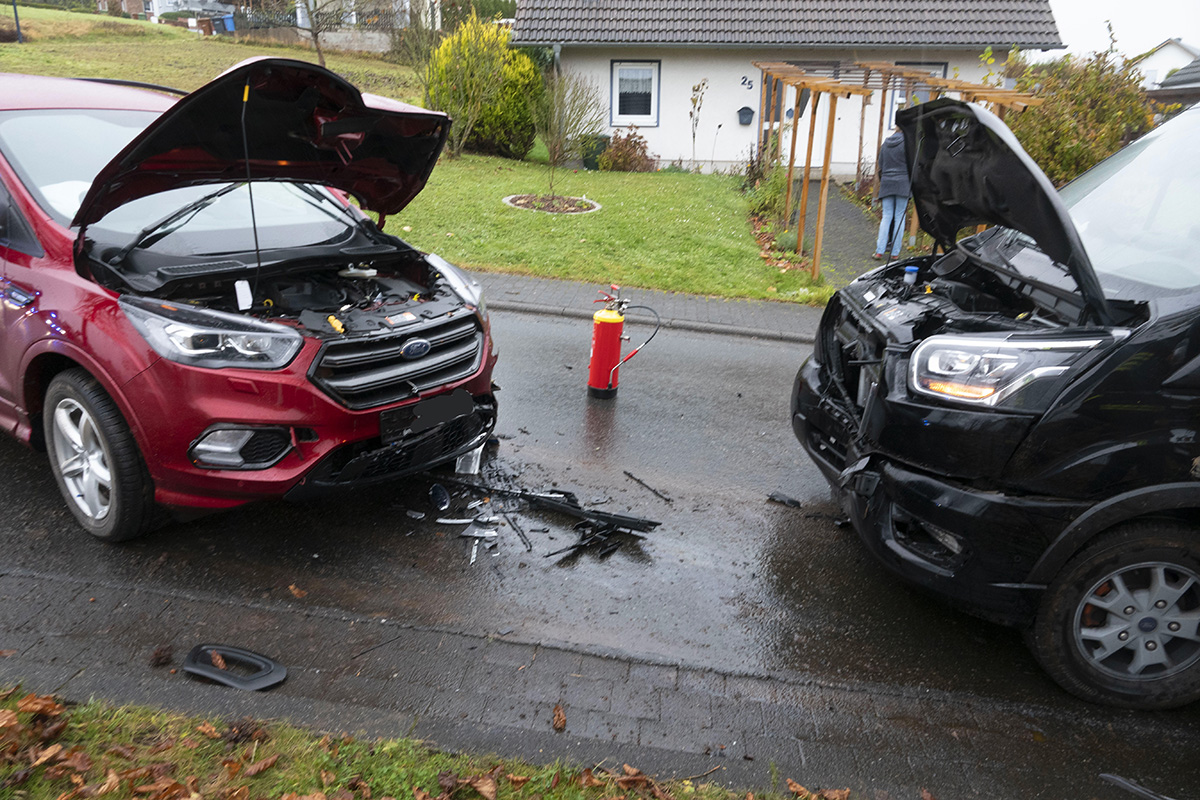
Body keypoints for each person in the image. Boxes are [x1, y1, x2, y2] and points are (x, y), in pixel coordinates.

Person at [874, 127, 911, 260]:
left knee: (886, 216)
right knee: (899, 217)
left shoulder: (885, 144)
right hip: (903, 183)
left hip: (887, 183)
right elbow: (912, 165)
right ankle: (895, 253)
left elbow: (881, 165)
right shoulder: (908, 143)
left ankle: (879, 251)